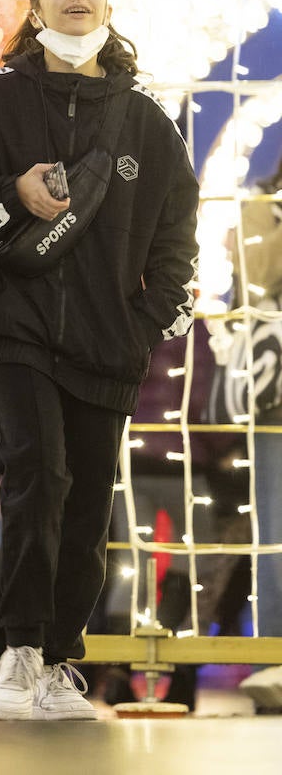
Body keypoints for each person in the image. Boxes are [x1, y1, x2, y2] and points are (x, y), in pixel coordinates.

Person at [0, 0, 198, 721]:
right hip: (13, 329)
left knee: (87, 504)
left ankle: (55, 663)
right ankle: (15, 656)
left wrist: (147, 323)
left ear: (107, 4)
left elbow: (180, 235)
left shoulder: (148, 118)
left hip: (110, 343)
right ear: (35, 5)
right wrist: (12, 195)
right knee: (36, 475)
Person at [211, 157, 282, 711]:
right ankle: (273, 662)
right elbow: (255, 284)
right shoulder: (262, 205)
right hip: (277, 395)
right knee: (275, 536)